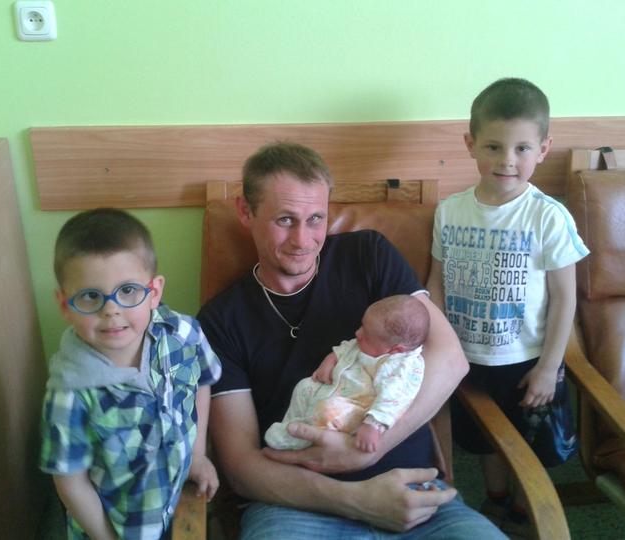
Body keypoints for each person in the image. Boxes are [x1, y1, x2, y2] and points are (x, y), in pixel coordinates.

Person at [198, 141, 506, 539]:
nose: (303, 240)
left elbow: (450, 359)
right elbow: (241, 467)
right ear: (246, 211)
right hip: (296, 507)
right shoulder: (220, 321)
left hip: (414, 495)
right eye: (285, 220)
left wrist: (366, 450)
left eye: (316, 219)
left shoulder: (368, 255)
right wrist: (358, 499)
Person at [426, 78, 590, 535]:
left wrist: (549, 367)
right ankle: (496, 498)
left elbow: (565, 298)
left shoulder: (548, 216)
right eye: (494, 147)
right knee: (485, 441)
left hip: (528, 360)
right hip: (467, 357)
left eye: (521, 148)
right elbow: (436, 281)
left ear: (543, 149)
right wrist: (440, 347)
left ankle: (522, 508)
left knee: (530, 445)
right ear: (471, 144)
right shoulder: (449, 211)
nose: (507, 161)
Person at [39, 208, 221, 540]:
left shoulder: (183, 334)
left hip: (175, 500)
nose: (112, 310)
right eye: (91, 296)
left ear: (154, 292)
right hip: (117, 529)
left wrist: (197, 455)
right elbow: (71, 483)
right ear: (65, 305)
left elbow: (201, 382)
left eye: (127, 291)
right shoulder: (69, 394)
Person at [265, 294, 429, 453]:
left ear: (395, 350)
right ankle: (291, 423)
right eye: (362, 326)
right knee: (304, 386)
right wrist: (330, 360)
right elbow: (348, 347)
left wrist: (373, 425)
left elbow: (394, 398)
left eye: (366, 335)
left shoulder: (402, 367)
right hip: (334, 389)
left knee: (328, 411)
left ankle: (301, 438)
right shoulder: (372, 343)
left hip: (357, 407)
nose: (358, 333)